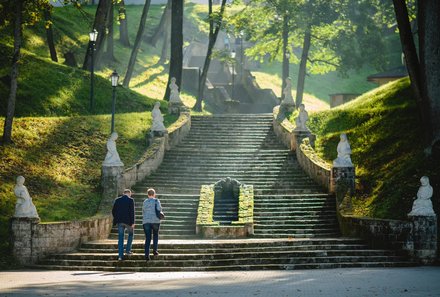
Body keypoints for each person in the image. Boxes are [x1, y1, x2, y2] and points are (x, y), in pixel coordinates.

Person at [112, 189, 135, 261]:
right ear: (129, 194)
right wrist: (133, 222)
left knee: (120, 238)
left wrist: (116, 218)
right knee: (131, 234)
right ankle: (128, 250)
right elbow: (132, 212)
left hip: (120, 222)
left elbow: (113, 211)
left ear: (123, 193)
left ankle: (120, 256)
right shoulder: (131, 200)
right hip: (128, 221)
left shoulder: (117, 200)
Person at [142, 188, 162, 261]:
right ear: (154, 194)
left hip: (146, 221)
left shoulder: (145, 202)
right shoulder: (156, 201)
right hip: (155, 221)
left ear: (148, 194)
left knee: (148, 238)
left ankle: (147, 255)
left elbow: (143, 210)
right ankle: (155, 250)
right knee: (155, 235)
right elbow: (159, 209)